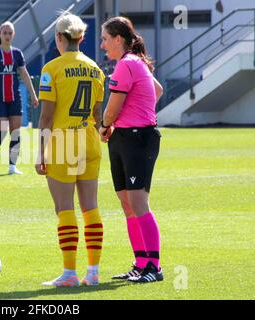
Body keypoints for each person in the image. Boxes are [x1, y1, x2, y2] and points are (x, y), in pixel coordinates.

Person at [36, 13, 105, 287]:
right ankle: (94, 272)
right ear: (82, 38)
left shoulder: (51, 69)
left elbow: (46, 117)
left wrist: (41, 152)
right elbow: (98, 114)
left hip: (63, 142)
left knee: (64, 209)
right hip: (89, 140)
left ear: (60, 38)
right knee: (91, 208)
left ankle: (69, 274)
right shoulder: (96, 69)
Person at [99, 16, 164, 283]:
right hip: (125, 136)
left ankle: (154, 267)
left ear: (118, 39)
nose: (102, 45)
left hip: (137, 137)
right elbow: (156, 90)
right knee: (127, 204)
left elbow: (112, 108)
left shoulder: (126, 64)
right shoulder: (135, 63)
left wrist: (104, 125)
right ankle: (140, 262)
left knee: (138, 203)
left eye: (104, 39)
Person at [0, 21, 38, 175]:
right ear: (0, 34)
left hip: (14, 98)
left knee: (16, 132)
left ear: (13, 35)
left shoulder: (17, 53)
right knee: (2, 131)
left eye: (10, 33)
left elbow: (24, 74)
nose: (7, 35)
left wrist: (33, 94)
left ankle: (12, 166)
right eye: (4, 32)